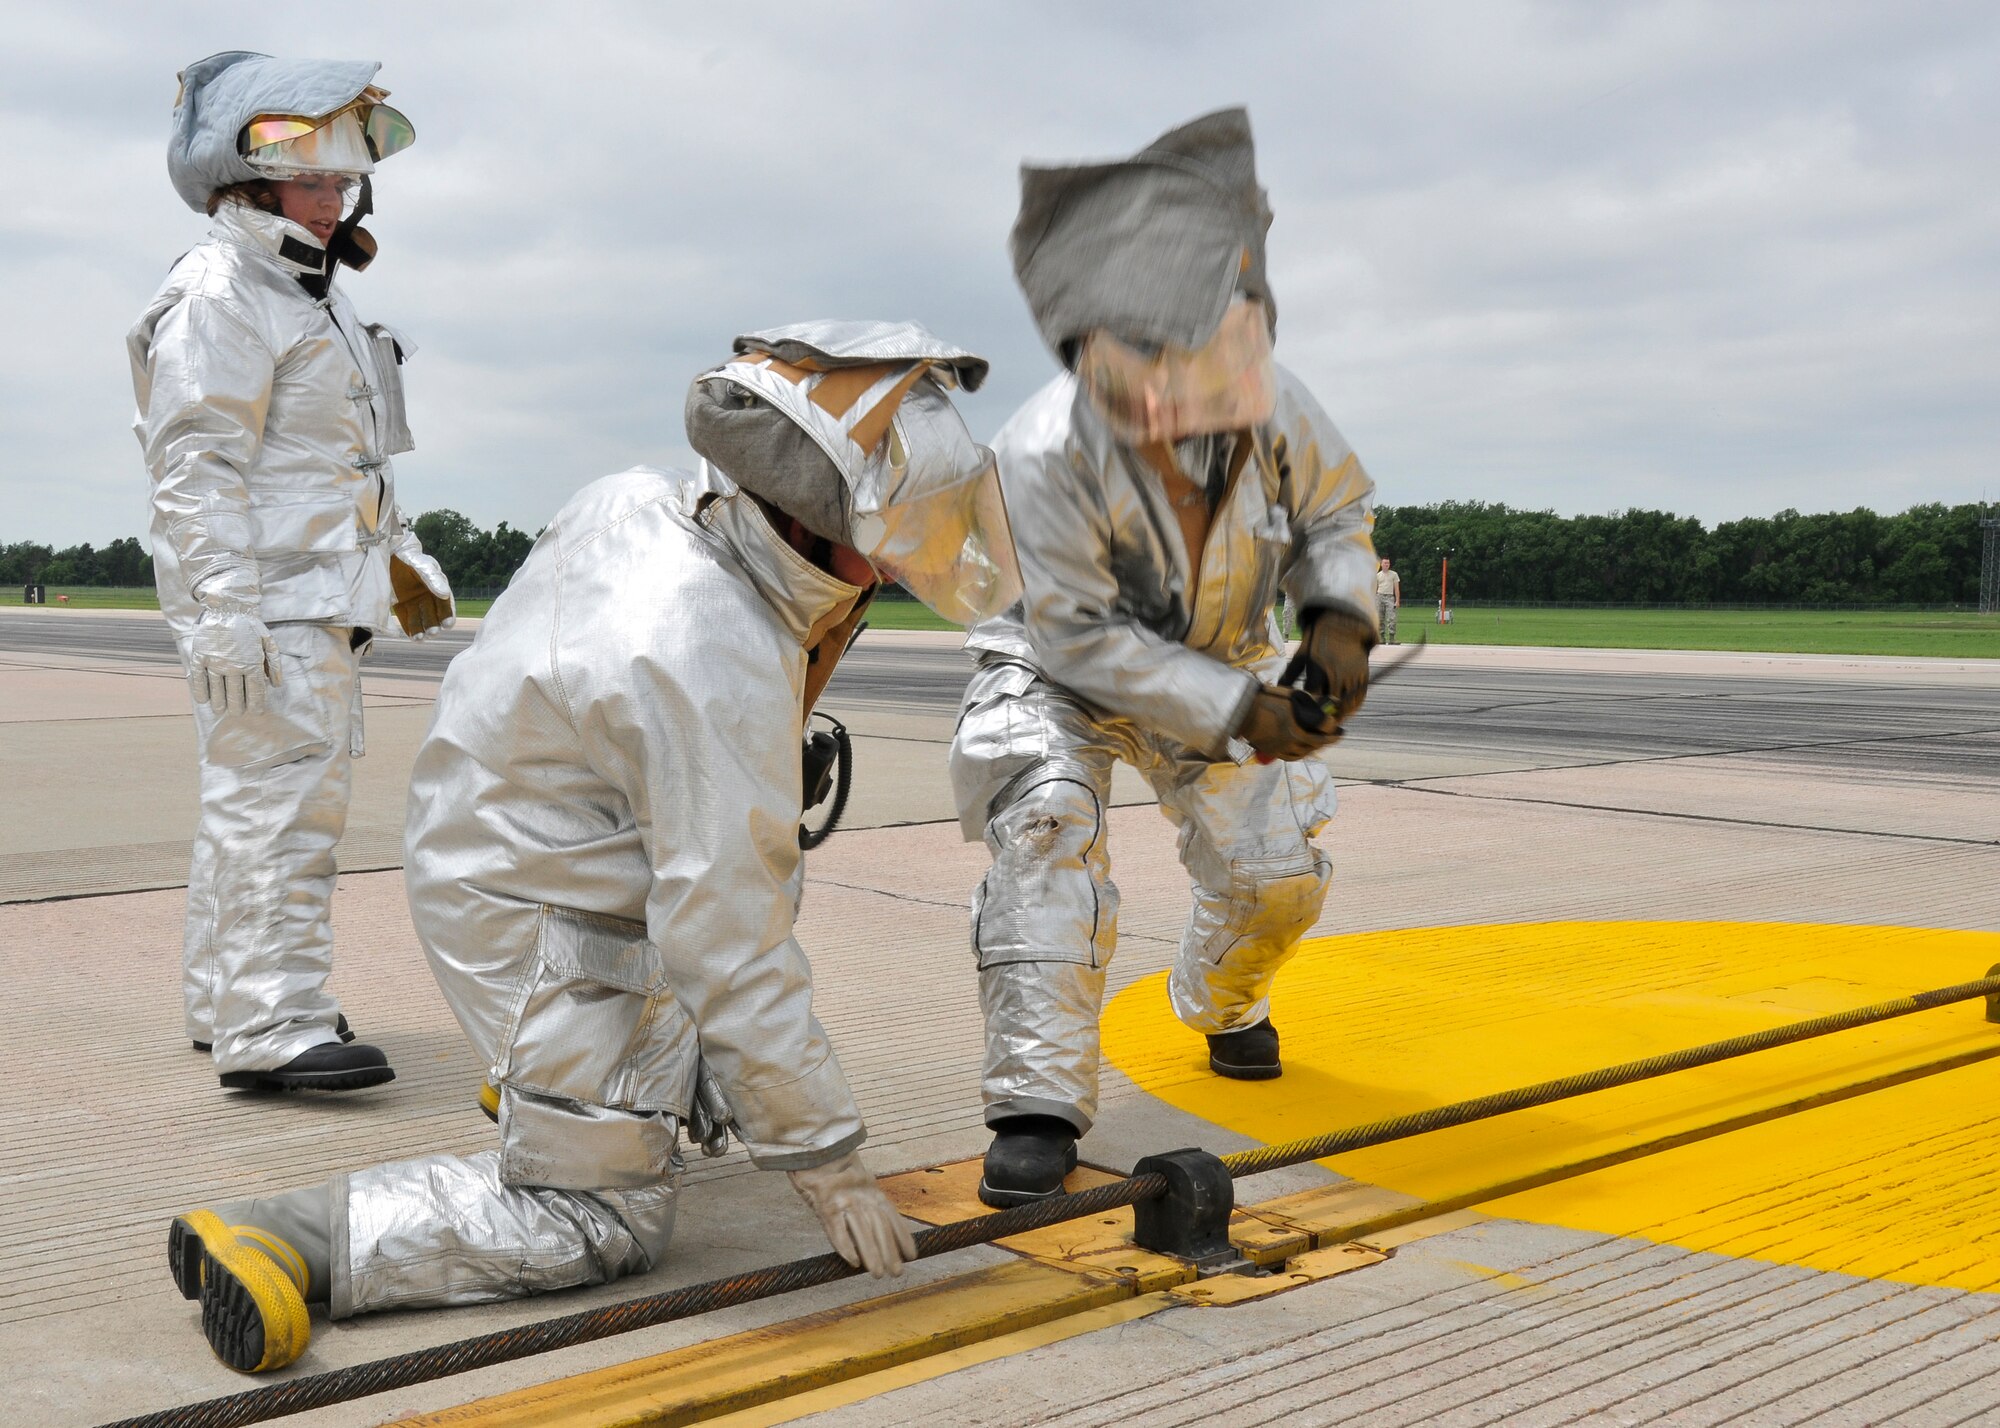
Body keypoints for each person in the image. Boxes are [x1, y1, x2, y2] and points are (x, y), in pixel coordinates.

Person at [165, 321, 1022, 1373]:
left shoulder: (642, 502)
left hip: (520, 839)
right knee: (603, 1221)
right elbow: (731, 937)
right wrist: (829, 1161)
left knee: (680, 1066)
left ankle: (557, 1080)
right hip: (534, 906)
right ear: (805, 509)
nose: (895, 563)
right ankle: (288, 1237)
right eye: (887, 533)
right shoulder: (709, 651)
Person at [950, 109, 1381, 1207]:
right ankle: (1035, 1101)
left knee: (1277, 882)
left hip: (1227, 661)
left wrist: (1335, 621)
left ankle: (1225, 1004)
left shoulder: (1274, 402)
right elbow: (1081, 635)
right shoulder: (1038, 453)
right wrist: (1244, 709)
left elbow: (1334, 508)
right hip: (1058, 673)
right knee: (1046, 825)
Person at [129, 53, 454, 1094]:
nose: (333, 197)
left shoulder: (308, 296)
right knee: (281, 811)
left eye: (341, 178)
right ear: (249, 183)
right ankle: (273, 1025)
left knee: (249, 804)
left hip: (311, 598)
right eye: (312, 178)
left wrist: (398, 558)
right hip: (266, 605)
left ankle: (230, 997)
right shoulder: (227, 288)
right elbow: (194, 461)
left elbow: (338, 460)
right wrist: (223, 609)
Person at [1376, 557, 1401, 645]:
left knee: (1392, 618)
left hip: (1390, 597)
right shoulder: (1378, 575)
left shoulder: (1394, 574)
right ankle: (1381, 638)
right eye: (1385, 563)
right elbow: (1375, 588)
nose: (1386, 565)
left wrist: (1397, 600)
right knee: (1380, 618)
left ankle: (1392, 638)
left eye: (1388, 563)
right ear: (1381, 564)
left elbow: (1397, 588)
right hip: (1379, 596)